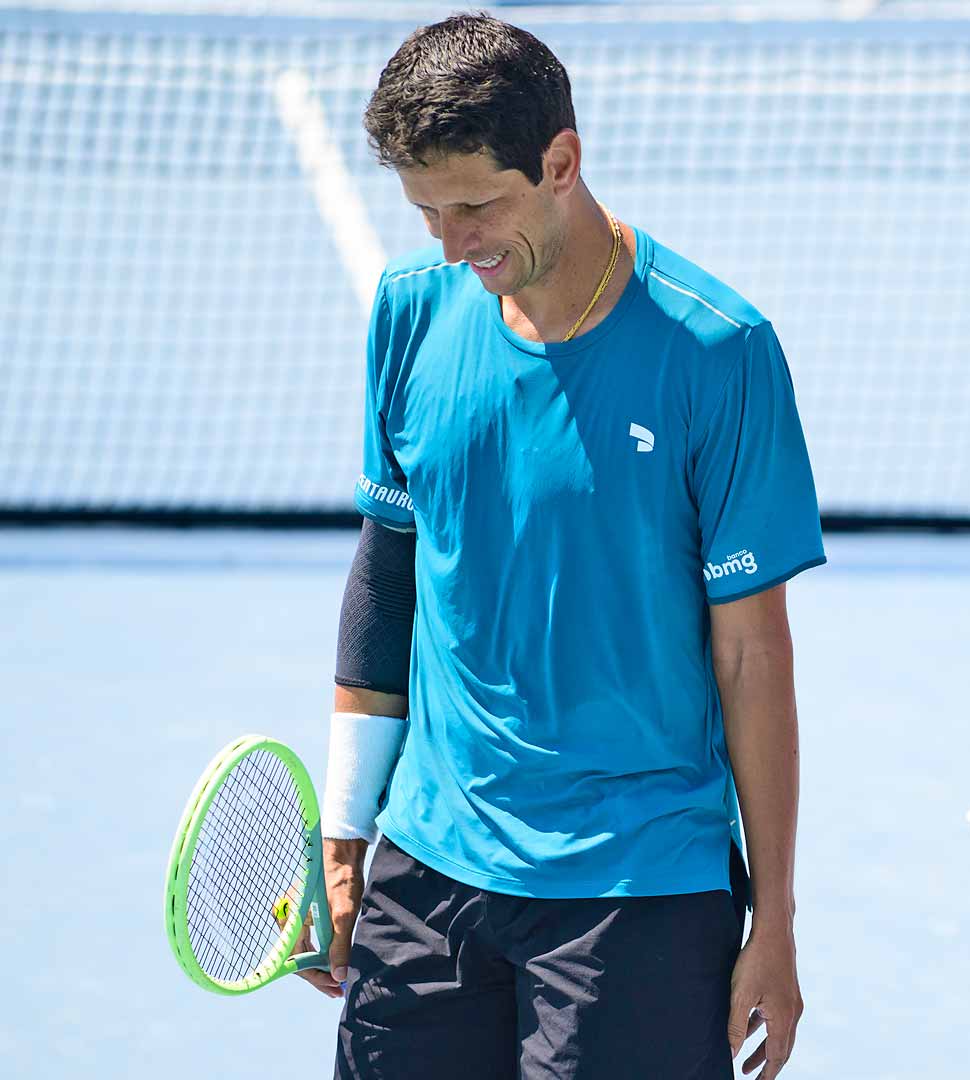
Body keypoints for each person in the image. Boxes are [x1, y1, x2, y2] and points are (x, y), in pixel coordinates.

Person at [303, 15, 823, 1080]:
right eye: (427, 212)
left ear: (561, 162)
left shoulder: (719, 352)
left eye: (477, 206)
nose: (453, 244)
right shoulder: (411, 313)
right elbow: (387, 579)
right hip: (430, 866)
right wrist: (347, 836)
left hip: (637, 889)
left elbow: (751, 657)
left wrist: (773, 921)